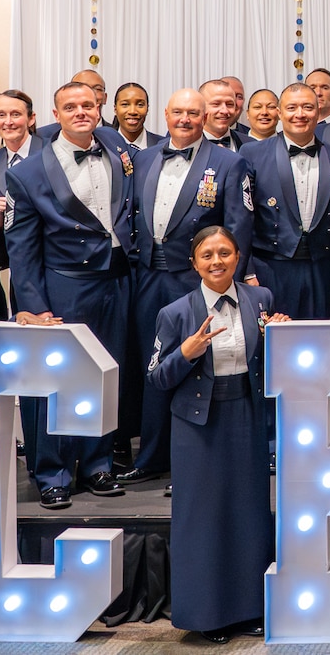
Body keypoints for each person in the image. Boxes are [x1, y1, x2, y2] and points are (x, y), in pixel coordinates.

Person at [144, 226, 284, 644]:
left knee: (249, 513)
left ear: (238, 257)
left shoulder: (261, 299)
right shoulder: (175, 313)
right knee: (202, 519)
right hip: (198, 425)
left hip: (247, 416)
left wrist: (281, 333)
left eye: (225, 253)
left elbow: (270, 360)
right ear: (194, 263)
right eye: (208, 255)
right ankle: (206, 615)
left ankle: (248, 610)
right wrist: (185, 354)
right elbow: (155, 377)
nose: (217, 261)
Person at [5, 80, 136, 506]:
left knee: (103, 376)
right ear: (55, 114)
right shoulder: (27, 172)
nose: (81, 111)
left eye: (88, 104)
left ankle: (97, 465)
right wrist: (34, 307)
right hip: (64, 284)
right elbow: (21, 248)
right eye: (70, 106)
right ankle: (53, 473)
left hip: (116, 281)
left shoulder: (117, 149)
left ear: (98, 108)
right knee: (56, 381)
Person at [119, 88, 254, 484]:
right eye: (178, 112)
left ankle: (193, 459)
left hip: (194, 280)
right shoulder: (142, 159)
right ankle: (152, 455)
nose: (185, 119)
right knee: (156, 363)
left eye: (194, 113)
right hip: (147, 277)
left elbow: (238, 228)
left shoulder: (230, 162)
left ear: (206, 115)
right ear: (166, 114)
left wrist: (226, 279)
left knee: (199, 365)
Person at [240, 83, 330, 320]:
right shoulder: (251, 154)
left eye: (307, 107)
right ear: (279, 113)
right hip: (270, 269)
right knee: (273, 344)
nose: (300, 114)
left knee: (320, 344)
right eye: (292, 107)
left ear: (320, 111)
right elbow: (242, 218)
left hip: (322, 268)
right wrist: (247, 271)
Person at [0, 89, 39, 319]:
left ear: (31, 118)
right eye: (1, 115)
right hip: (12, 259)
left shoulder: (50, 152)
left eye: (15, 114)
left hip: (50, 256)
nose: (8, 122)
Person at [37, 70, 129, 150]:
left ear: (105, 98)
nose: (88, 92)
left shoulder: (116, 135)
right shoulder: (41, 136)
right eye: (79, 86)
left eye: (97, 88)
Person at [199, 79, 251, 151]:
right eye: (216, 104)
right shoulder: (185, 144)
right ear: (200, 107)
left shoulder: (250, 144)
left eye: (229, 104)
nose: (225, 111)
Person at [111, 82, 163, 150]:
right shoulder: (104, 146)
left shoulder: (163, 146)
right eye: (125, 104)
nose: (132, 111)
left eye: (140, 105)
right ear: (115, 109)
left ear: (147, 108)